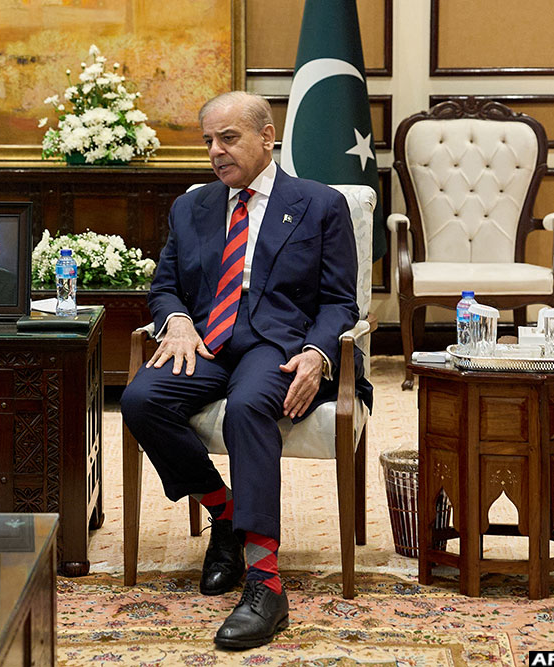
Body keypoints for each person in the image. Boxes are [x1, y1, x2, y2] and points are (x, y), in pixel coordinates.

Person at [120, 91, 372, 650]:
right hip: (207, 342)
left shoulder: (319, 203)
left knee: (249, 406)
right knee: (140, 399)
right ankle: (226, 512)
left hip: (277, 344)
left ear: (266, 136)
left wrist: (318, 352)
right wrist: (177, 321)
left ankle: (265, 582)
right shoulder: (192, 207)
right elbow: (165, 287)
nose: (216, 151)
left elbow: (340, 302)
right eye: (208, 141)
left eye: (228, 138)